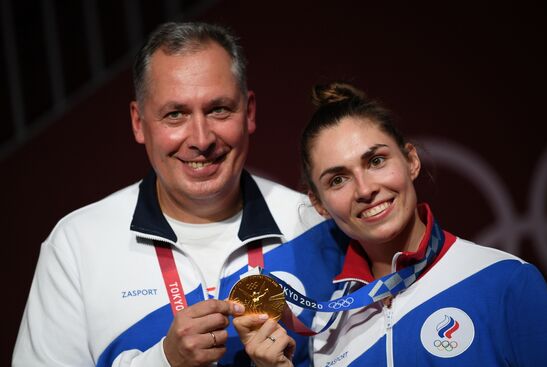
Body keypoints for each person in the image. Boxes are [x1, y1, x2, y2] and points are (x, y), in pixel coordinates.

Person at [12, 22, 348, 367]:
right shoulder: (77, 244)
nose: (201, 139)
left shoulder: (314, 225)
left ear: (249, 112)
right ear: (139, 123)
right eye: (175, 114)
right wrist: (164, 361)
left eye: (218, 109)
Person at [233, 81, 547, 366]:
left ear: (411, 160)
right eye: (338, 179)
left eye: (376, 161)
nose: (366, 189)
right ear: (319, 204)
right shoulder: (329, 327)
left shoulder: (506, 281)